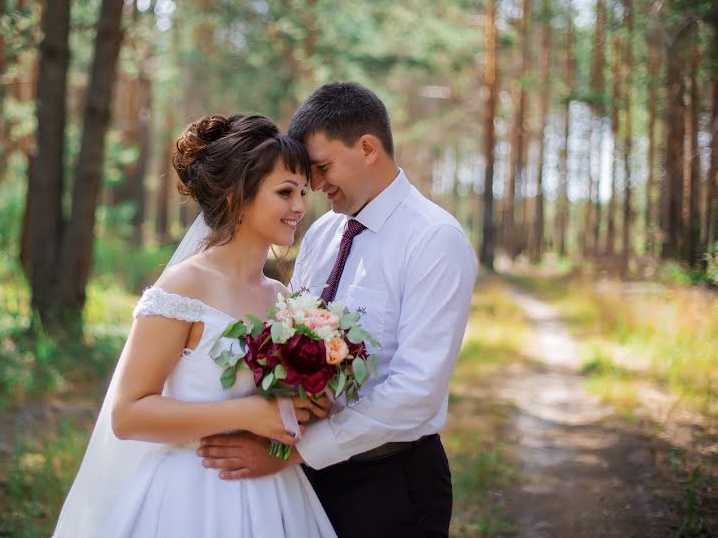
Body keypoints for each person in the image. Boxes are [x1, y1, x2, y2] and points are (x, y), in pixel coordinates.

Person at [198, 83, 478, 537]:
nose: (315, 186)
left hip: (389, 484)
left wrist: (293, 453)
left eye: (323, 168)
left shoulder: (434, 240)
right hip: (305, 480)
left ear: (367, 148)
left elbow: (417, 391)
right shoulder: (323, 234)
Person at [53, 114, 337, 537]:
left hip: (271, 494)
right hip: (190, 493)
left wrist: (309, 403)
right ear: (236, 199)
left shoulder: (282, 298)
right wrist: (249, 413)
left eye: (301, 191)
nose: (299, 207)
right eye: (284, 192)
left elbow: (279, 405)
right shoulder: (185, 287)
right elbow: (128, 415)